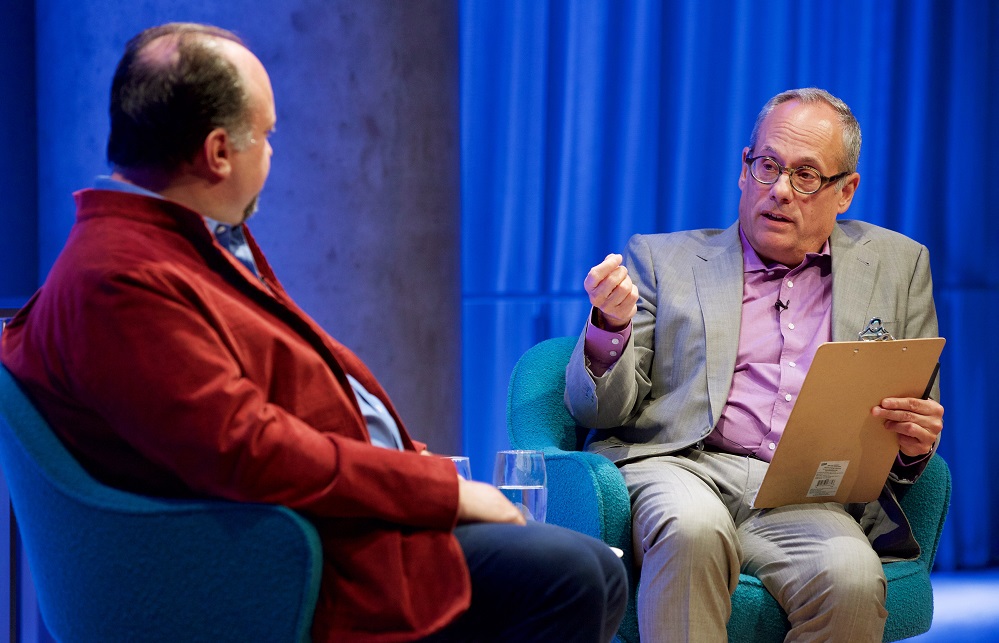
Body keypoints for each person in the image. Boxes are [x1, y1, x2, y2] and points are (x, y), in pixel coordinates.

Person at [0, 23, 627, 643]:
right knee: (571, 573)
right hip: (289, 556)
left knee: (594, 569)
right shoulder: (123, 277)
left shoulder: (174, 241)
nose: (272, 153)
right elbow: (249, 449)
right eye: (266, 136)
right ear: (218, 153)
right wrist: (439, 493)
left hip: (329, 519)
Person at [565, 88, 944, 642]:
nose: (780, 191)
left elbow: (912, 415)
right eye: (767, 166)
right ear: (745, 170)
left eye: (807, 175)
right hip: (682, 465)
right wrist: (609, 327)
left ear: (846, 191)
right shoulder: (662, 260)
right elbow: (596, 406)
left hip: (804, 492)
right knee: (693, 528)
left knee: (853, 577)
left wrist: (914, 443)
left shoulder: (899, 266)